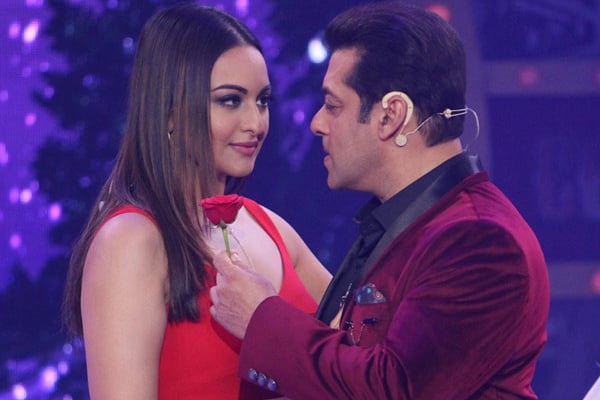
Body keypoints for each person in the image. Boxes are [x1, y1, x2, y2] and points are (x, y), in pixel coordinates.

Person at [209, 1, 550, 399]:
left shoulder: (479, 241)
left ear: (391, 115)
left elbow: (395, 389)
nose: (317, 123)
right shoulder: (412, 224)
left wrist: (260, 318)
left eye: (333, 105)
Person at [61, 3, 331, 400]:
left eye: (262, 101)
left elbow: (365, 358)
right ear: (170, 111)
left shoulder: (268, 226)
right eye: (230, 100)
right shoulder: (131, 241)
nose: (255, 123)